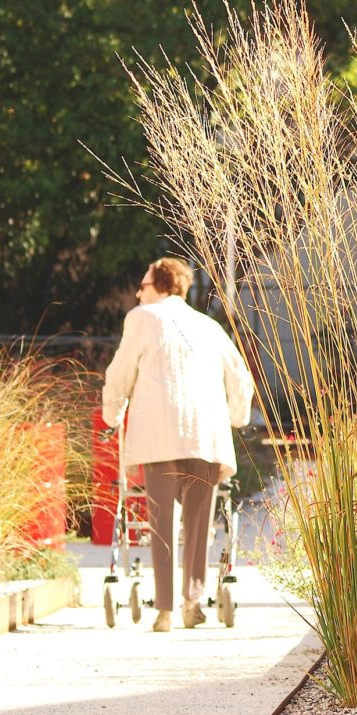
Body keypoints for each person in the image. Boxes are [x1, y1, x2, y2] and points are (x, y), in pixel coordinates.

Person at [102, 257, 255, 631]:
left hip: (159, 435)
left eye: (143, 286)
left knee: (161, 521)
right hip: (205, 436)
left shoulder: (142, 318)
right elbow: (240, 377)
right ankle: (193, 602)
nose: (139, 292)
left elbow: (120, 372)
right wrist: (238, 417)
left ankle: (165, 611)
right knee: (199, 522)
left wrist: (112, 413)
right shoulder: (208, 326)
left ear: (161, 286)